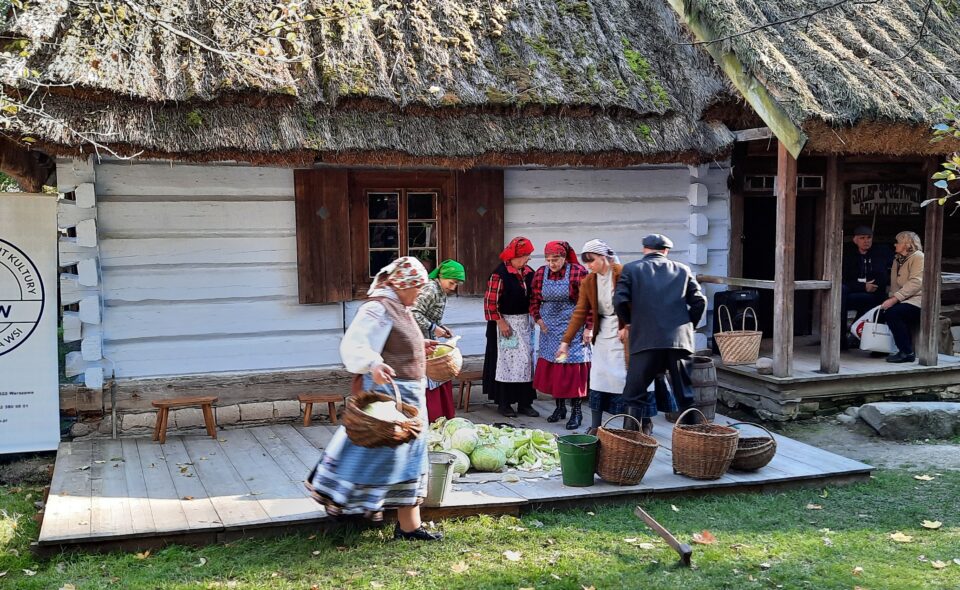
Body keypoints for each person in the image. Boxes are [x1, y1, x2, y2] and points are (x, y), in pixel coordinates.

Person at [305, 257, 442, 541]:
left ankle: (409, 527)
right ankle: (345, 510)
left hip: (408, 396)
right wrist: (373, 364)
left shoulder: (402, 307)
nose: (420, 293)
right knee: (371, 452)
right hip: (388, 397)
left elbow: (396, 341)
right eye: (417, 287)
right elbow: (355, 343)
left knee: (409, 459)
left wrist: (421, 346)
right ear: (403, 285)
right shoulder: (378, 307)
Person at [614, 234, 707, 434]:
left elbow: (619, 301)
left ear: (644, 249)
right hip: (679, 342)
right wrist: (689, 326)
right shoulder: (683, 269)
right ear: (666, 251)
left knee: (633, 395)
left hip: (646, 340)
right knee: (686, 396)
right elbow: (700, 301)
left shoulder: (632, 269)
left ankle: (630, 445)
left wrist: (629, 322)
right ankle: (693, 447)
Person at [557, 239, 626, 436]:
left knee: (624, 379)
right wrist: (566, 342)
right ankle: (596, 425)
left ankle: (631, 425)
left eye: (592, 260)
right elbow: (580, 311)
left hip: (623, 333)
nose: (589, 265)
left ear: (604, 258)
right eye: (586, 261)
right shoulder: (589, 281)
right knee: (598, 378)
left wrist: (628, 324)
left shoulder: (623, 274)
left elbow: (636, 302)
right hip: (603, 332)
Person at [530, 241, 591, 430]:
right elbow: (534, 299)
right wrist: (538, 319)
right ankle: (559, 408)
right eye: (548, 260)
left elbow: (588, 302)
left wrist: (589, 327)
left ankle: (576, 412)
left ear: (564, 257)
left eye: (555, 260)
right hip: (549, 329)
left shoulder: (578, 272)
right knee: (556, 368)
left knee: (571, 371)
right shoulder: (541, 273)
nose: (551, 264)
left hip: (573, 327)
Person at [482, 237, 539, 418]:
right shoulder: (500, 274)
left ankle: (525, 403)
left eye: (528, 256)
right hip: (505, 325)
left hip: (524, 323)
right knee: (507, 364)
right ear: (514, 256)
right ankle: (504, 403)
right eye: (524, 256)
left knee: (526, 363)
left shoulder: (530, 273)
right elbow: (490, 303)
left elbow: (534, 298)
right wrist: (501, 322)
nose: (527, 259)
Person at [412, 259, 466, 422]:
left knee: (439, 376)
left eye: (456, 284)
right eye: (452, 282)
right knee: (430, 379)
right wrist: (435, 329)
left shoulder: (440, 291)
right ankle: (430, 418)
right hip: (419, 340)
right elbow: (414, 313)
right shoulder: (430, 289)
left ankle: (441, 417)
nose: (453, 287)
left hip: (429, 338)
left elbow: (429, 316)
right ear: (442, 277)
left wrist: (442, 328)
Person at [841, 225, 893, 349]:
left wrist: (877, 284)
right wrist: (863, 287)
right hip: (852, 293)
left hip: (875, 293)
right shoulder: (848, 255)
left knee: (878, 303)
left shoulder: (880, 253)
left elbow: (891, 269)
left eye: (869, 238)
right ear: (855, 240)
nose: (866, 241)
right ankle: (840, 338)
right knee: (841, 295)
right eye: (862, 238)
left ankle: (857, 336)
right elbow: (843, 279)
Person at [881, 231, 924, 363]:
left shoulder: (918, 257)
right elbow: (894, 285)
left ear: (907, 244)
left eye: (898, 242)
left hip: (919, 301)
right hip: (905, 299)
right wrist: (890, 299)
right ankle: (878, 348)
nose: (895, 245)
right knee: (882, 309)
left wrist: (894, 300)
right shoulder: (898, 259)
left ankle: (906, 352)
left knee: (894, 314)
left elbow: (916, 282)